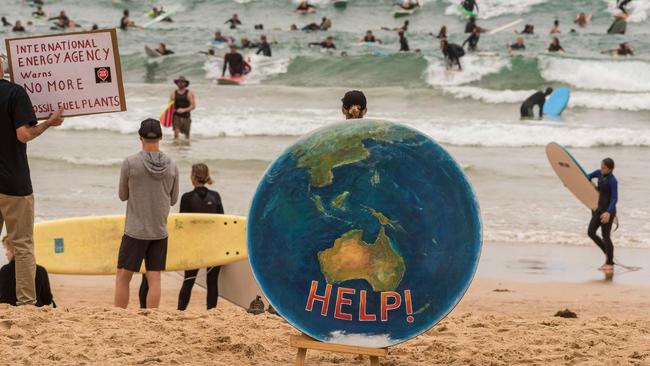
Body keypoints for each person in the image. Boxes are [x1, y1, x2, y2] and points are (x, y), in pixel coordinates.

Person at [0, 55, 64, 306]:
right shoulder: (15, 93)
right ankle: (26, 304)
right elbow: (24, 134)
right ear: (2, 67)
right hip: (14, 184)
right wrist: (50, 122)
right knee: (23, 245)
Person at [140, 164, 225, 310]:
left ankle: (180, 311)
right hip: (213, 244)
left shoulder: (187, 197)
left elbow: (182, 224)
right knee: (212, 282)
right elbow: (222, 221)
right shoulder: (215, 196)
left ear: (193, 177)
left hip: (194, 246)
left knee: (189, 280)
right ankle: (212, 312)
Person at [115, 119, 180, 309]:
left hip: (135, 230)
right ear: (160, 137)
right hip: (159, 231)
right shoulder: (172, 165)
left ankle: (119, 316)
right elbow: (173, 199)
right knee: (155, 278)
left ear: (140, 138)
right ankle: (152, 317)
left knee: (123, 277)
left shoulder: (130, 163)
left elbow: (122, 195)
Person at [0, 236, 54, 307]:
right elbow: (47, 300)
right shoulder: (40, 270)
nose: (6, 253)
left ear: (14, 250)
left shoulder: (4, 270)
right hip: (34, 309)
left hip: (8, 309)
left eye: (7, 249)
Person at [587, 158, 618, 274]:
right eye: (601, 166)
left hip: (607, 212)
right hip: (598, 210)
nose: (601, 169)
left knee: (606, 236)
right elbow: (586, 177)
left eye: (604, 168)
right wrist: (572, 185)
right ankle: (607, 252)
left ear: (610, 169)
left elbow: (614, 198)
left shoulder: (613, 181)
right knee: (590, 232)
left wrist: (608, 212)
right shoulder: (598, 173)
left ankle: (609, 263)